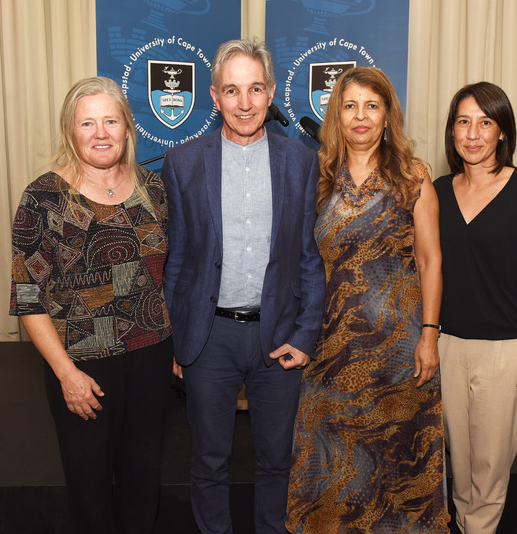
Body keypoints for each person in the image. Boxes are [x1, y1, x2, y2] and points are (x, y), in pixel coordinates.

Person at [160, 39, 325, 534]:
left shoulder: (302, 162)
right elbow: (178, 259)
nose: (246, 103)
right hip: (208, 339)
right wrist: (176, 337)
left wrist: (306, 334)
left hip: (278, 338)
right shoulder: (183, 163)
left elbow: (309, 258)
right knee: (210, 462)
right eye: (232, 90)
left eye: (256, 89)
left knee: (277, 461)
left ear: (271, 91)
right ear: (214, 96)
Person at [286, 66, 450, 533]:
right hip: (330, 351)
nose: (361, 116)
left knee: (399, 468)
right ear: (336, 115)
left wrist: (430, 336)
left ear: (387, 117)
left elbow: (430, 260)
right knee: (331, 467)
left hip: (399, 352)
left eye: (372, 106)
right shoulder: (315, 176)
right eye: (351, 105)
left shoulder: (412, 177)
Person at [9, 76, 172, 534]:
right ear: (70, 131)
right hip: (82, 367)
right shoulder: (43, 198)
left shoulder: (154, 189)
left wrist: (177, 347)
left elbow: (171, 274)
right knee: (89, 491)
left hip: (151, 359)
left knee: (144, 483)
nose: (101, 133)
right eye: (88, 123)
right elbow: (27, 297)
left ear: (127, 128)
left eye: (110, 121)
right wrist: (66, 374)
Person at [434, 81, 517, 534]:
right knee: (460, 469)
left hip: (506, 352)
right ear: (452, 132)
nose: (473, 133)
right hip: (449, 347)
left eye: (485, 122)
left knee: (489, 472)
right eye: (463, 122)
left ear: (502, 131)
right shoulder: (438, 191)